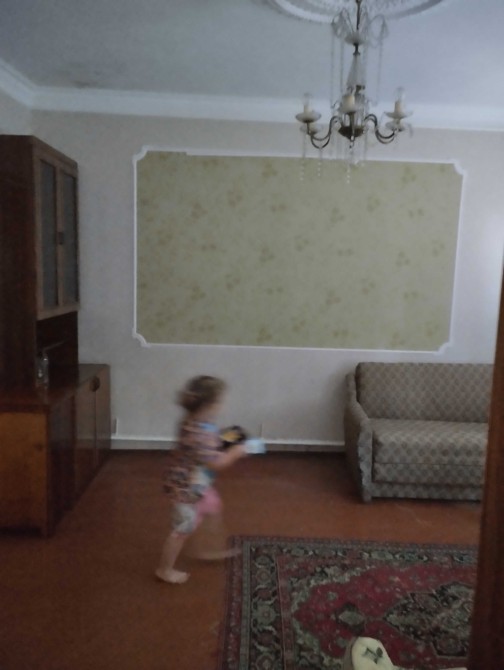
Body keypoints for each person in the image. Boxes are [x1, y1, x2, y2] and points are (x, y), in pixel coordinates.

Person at [155, 375, 247, 584]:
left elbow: (209, 443)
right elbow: (216, 463)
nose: (222, 405)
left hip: (197, 483)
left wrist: (224, 439)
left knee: (213, 507)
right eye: (220, 401)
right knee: (182, 529)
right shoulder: (198, 434)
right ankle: (164, 569)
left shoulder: (196, 421)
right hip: (185, 489)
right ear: (209, 405)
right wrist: (236, 452)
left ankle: (206, 548)